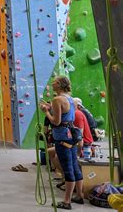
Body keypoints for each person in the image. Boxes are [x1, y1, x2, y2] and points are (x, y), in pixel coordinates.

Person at [40, 76, 84, 209]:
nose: (52, 83)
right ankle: (80, 196)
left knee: (68, 169)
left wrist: (46, 112)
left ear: (59, 85)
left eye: (54, 82)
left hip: (62, 137)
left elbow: (56, 121)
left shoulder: (57, 99)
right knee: (74, 166)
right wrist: (51, 108)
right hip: (71, 135)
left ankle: (67, 202)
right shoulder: (70, 99)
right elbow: (65, 114)